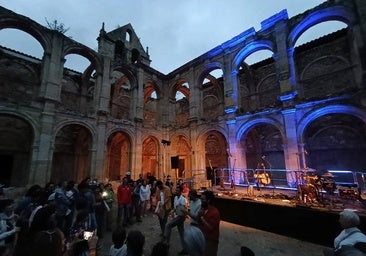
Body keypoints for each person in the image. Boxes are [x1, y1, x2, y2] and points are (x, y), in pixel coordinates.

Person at [162, 186, 188, 255]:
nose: (176, 192)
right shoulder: (176, 198)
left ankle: (166, 243)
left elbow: (182, 210)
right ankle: (185, 248)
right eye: (176, 190)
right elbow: (175, 207)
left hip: (180, 216)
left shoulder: (183, 199)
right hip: (177, 216)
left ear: (181, 191)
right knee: (181, 232)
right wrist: (173, 212)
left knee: (168, 225)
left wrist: (175, 212)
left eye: (178, 191)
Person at [196, 190, 220, 256]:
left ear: (208, 200)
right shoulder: (202, 208)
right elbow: (198, 221)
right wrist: (199, 215)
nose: (201, 201)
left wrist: (201, 217)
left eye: (203, 199)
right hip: (202, 237)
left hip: (211, 240)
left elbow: (210, 228)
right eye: (200, 199)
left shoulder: (215, 212)